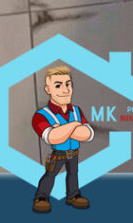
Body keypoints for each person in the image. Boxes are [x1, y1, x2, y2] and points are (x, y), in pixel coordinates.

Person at [30, 64, 94, 212]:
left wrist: (62, 129)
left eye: (68, 84)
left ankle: (73, 195)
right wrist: (74, 125)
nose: (65, 90)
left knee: (73, 174)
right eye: (58, 86)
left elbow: (87, 134)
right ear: (48, 89)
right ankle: (42, 197)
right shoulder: (41, 115)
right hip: (58, 154)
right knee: (50, 175)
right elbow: (53, 138)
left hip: (74, 152)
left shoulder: (76, 110)